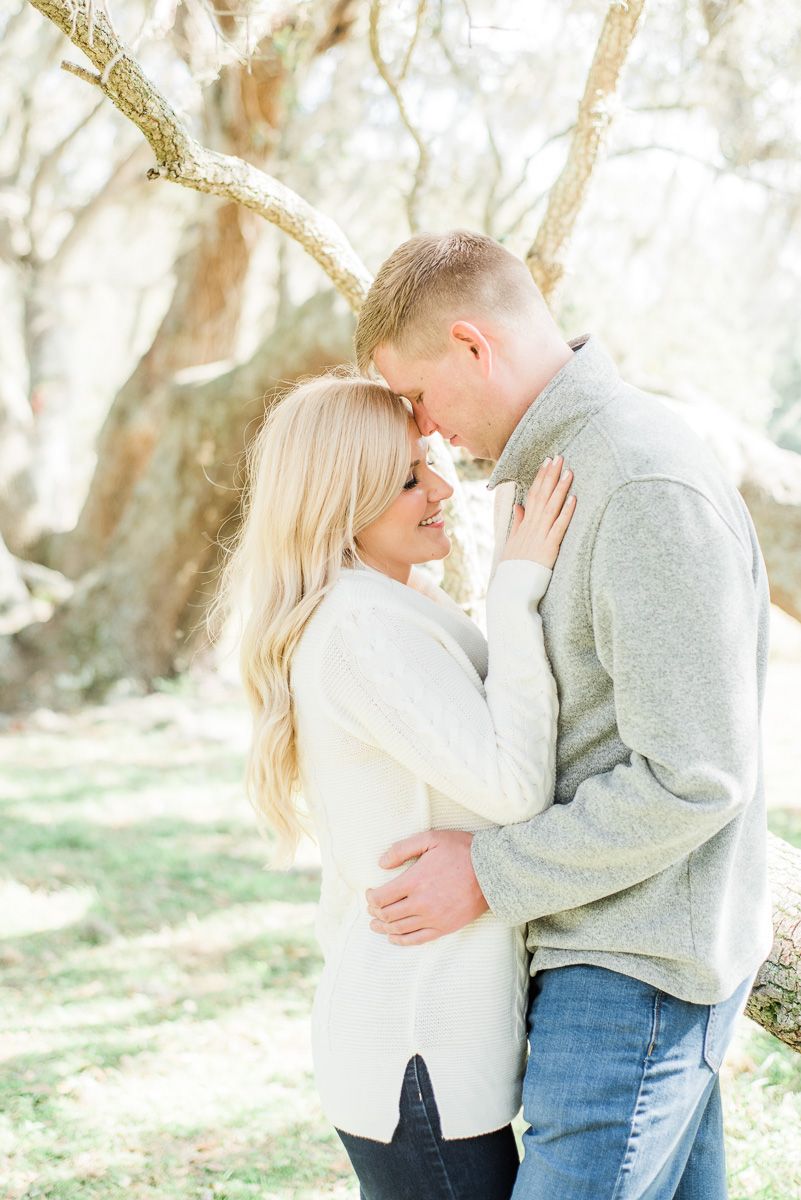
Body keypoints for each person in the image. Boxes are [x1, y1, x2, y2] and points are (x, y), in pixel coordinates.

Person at [354, 230, 773, 1200]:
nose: (421, 431)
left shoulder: (637, 483)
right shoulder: (571, 469)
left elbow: (696, 774)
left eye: (417, 396)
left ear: (471, 343)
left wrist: (491, 875)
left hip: (635, 970)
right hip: (607, 949)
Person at [214, 372, 576, 1200]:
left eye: (432, 461)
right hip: (415, 1044)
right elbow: (514, 786)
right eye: (409, 480)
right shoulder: (359, 629)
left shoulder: (389, 606)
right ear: (339, 504)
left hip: (430, 1034)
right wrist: (517, 589)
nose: (442, 489)